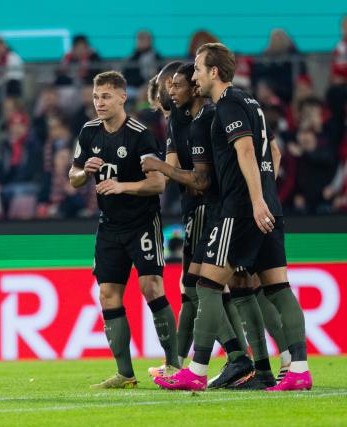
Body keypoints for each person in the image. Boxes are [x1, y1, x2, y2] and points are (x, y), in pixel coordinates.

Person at [155, 42, 311, 392]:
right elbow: (272, 151)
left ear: (214, 71)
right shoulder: (251, 102)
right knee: (278, 288)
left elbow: (244, 150)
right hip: (269, 207)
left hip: (240, 210)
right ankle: (298, 368)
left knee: (206, 286)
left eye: (197, 68)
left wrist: (255, 200)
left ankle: (195, 369)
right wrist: (267, 195)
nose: (193, 75)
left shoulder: (227, 105)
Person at [68, 71, 177, 389]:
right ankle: (125, 373)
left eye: (105, 96)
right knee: (107, 294)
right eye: (95, 97)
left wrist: (122, 186)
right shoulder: (88, 133)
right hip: (109, 226)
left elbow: (158, 182)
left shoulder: (140, 134)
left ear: (122, 97)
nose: (99, 103)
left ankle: (173, 365)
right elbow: (73, 176)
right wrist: (82, 172)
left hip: (142, 222)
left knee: (151, 287)